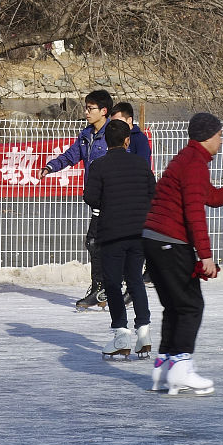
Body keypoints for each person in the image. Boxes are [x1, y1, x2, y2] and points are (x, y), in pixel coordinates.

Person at [143, 112, 223, 396]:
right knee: (191, 306)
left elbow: (212, 198)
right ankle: (181, 368)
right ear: (208, 136)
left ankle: (165, 365)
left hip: (155, 240)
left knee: (175, 306)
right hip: (170, 241)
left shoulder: (188, 159)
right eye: (219, 135)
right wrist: (205, 256)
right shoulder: (194, 164)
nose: (221, 140)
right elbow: (194, 213)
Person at [83, 120, 158, 359]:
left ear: (106, 141)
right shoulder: (141, 164)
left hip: (112, 232)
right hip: (139, 231)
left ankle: (121, 335)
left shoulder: (99, 165)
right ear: (127, 141)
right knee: (135, 280)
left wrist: (109, 202)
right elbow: (153, 194)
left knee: (113, 283)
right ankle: (144, 333)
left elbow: (91, 198)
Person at [40, 89, 113, 309]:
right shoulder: (86, 135)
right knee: (96, 243)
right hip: (96, 199)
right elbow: (71, 155)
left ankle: (105, 288)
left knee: (99, 242)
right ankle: (103, 290)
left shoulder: (113, 133)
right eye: (86, 108)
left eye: (90, 109)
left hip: (112, 198)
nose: (86, 112)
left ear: (104, 111)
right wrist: (51, 166)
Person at [110, 102, 152, 167]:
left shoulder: (140, 139)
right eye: (113, 122)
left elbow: (143, 164)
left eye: (118, 121)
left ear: (129, 120)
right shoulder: (111, 136)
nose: (115, 125)